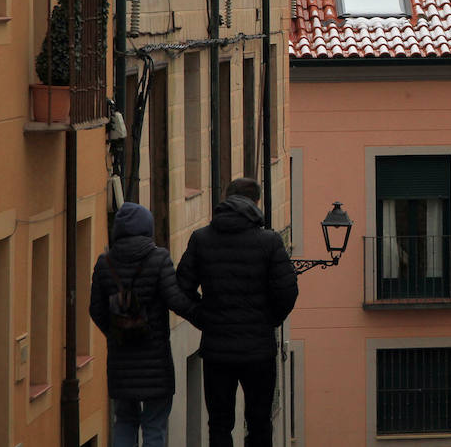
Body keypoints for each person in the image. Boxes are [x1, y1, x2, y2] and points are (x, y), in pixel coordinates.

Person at [177, 177, 298, 447]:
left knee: (219, 424)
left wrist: (203, 317)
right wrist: (270, 320)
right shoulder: (269, 241)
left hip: (217, 350)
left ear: (225, 199)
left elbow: (180, 289)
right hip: (259, 350)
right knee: (259, 421)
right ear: (256, 203)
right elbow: (287, 291)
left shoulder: (201, 238)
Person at [90, 202, 199, 447]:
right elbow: (176, 300)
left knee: (125, 421)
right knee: (154, 424)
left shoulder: (104, 263)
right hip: (155, 359)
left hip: (120, 360)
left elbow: (95, 309)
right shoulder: (158, 258)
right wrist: (205, 317)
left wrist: (117, 331)